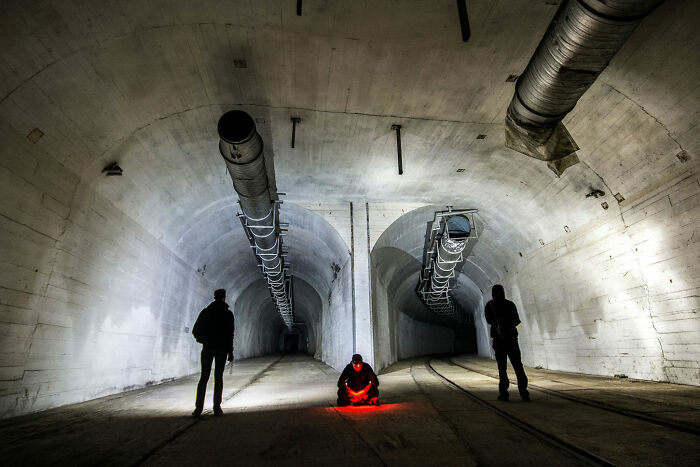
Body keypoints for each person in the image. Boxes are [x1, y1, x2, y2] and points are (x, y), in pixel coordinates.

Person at [191, 288, 235, 416]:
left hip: (207, 349)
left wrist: (204, 341)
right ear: (224, 297)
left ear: (214, 297)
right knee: (218, 378)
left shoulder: (206, 312)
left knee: (203, 378)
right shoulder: (228, 314)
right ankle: (217, 408)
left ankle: (198, 408)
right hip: (221, 350)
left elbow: (195, 330)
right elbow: (230, 335)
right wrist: (230, 352)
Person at [484, 284, 530, 402]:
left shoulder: (490, 305)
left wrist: (498, 324)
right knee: (518, 366)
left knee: (502, 368)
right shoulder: (510, 304)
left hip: (499, 340)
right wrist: (510, 327)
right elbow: (517, 321)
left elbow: (489, 320)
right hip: (511, 339)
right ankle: (523, 391)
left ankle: (504, 393)